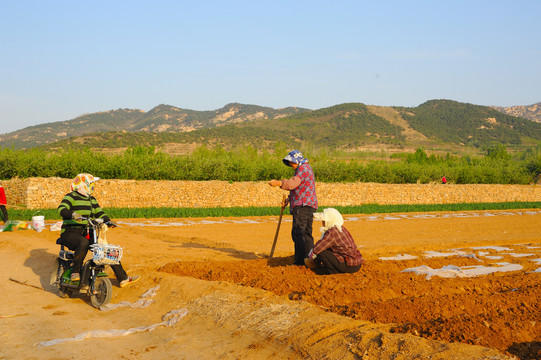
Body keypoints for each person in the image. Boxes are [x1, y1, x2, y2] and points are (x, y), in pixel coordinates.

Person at [57, 173, 140, 287]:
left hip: (86, 232)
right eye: (91, 184)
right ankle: (75, 273)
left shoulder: (92, 199)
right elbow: (61, 209)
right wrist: (73, 214)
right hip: (69, 233)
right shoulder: (70, 196)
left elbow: (99, 212)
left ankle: (123, 278)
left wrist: (108, 221)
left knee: (105, 248)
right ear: (83, 185)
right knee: (83, 242)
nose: (93, 186)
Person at [268, 150, 318, 265]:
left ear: (297, 160)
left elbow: (291, 185)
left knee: (298, 233)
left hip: (302, 206)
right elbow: (299, 189)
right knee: (306, 233)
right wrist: (289, 199)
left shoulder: (302, 170)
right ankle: (309, 258)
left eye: (292, 163)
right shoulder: (305, 168)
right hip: (308, 205)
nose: (291, 166)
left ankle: (300, 261)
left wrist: (278, 183)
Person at [304, 208, 364, 274]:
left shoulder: (332, 232)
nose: (322, 222)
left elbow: (317, 248)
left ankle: (332, 271)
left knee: (322, 252)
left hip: (350, 266)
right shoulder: (341, 228)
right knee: (326, 249)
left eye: (324, 220)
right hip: (356, 263)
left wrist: (311, 258)